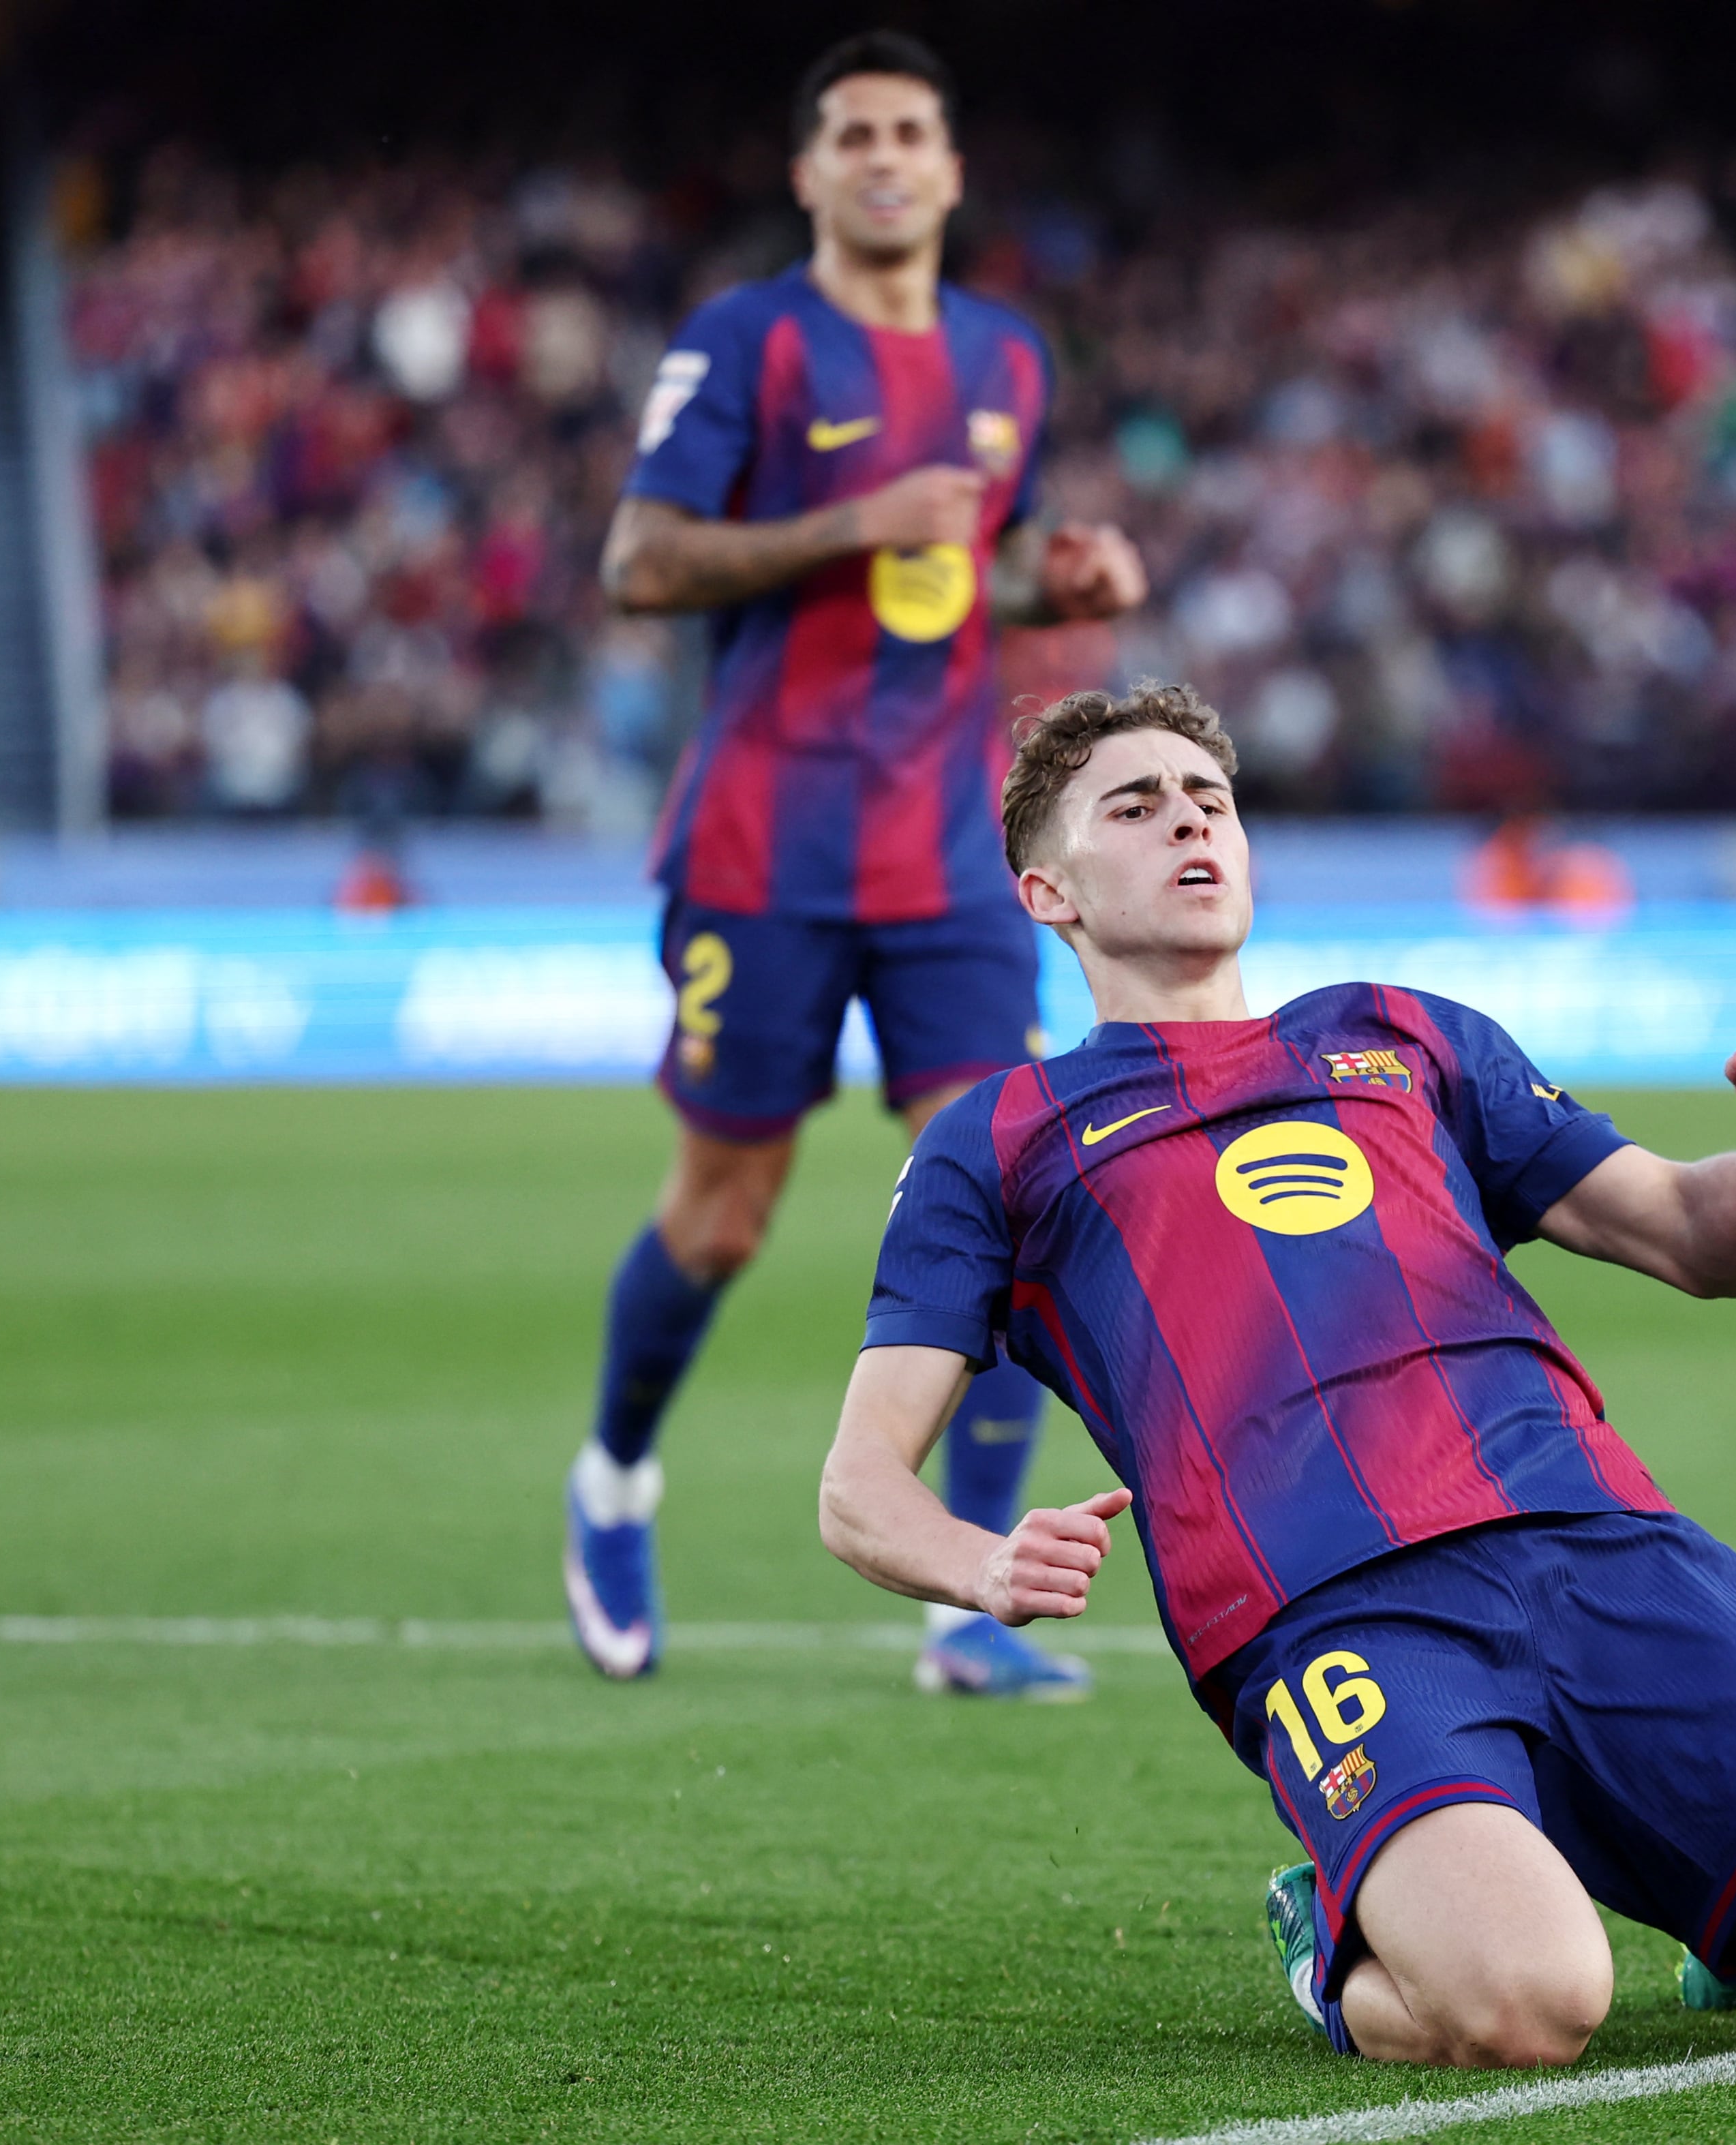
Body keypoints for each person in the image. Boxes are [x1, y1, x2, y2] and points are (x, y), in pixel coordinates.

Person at [819, 683, 1736, 2064]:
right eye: (1135, 808)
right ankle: (1332, 1940)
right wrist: (977, 1566)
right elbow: (857, 1483)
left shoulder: (1404, 1032)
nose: (1189, 825)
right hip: (1337, 1615)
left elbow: (1702, 1240)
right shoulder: (1001, 1137)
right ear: (1048, 891)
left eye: (1208, 801)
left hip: (1603, 1549)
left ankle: (1726, 1913)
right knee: (1528, 2003)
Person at [564, 31, 1147, 1692]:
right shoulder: (746, 341)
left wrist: (1060, 568)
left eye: (913, 133)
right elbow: (640, 559)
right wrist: (845, 521)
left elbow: (974, 566)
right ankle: (613, 1477)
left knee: (1013, 1194)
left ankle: (967, 1602)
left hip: (951, 851)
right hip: (761, 842)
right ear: (810, 172)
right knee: (724, 1212)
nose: (886, 157)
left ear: (952, 172)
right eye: (854, 135)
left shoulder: (1008, 358)